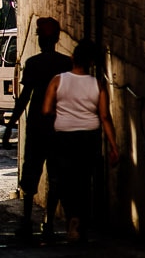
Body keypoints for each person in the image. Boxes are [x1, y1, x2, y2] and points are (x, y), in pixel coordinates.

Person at [42, 40, 119, 244]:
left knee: (63, 180)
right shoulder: (98, 84)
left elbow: (46, 110)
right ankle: (79, 222)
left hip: (64, 137)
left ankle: (65, 221)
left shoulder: (58, 81)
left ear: (72, 58)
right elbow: (104, 117)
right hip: (89, 137)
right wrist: (113, 146)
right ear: (91, 62)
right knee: (83, 181)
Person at [3, 17, 73, 240]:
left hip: (36, 127)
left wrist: (10, 126)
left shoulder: (33, 64)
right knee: (56, 176)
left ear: (41, 40)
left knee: (31, 175)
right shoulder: (66, 64)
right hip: (59, 127)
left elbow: (24, 97)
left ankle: (26, 221)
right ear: (57, 38)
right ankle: (49, 221)